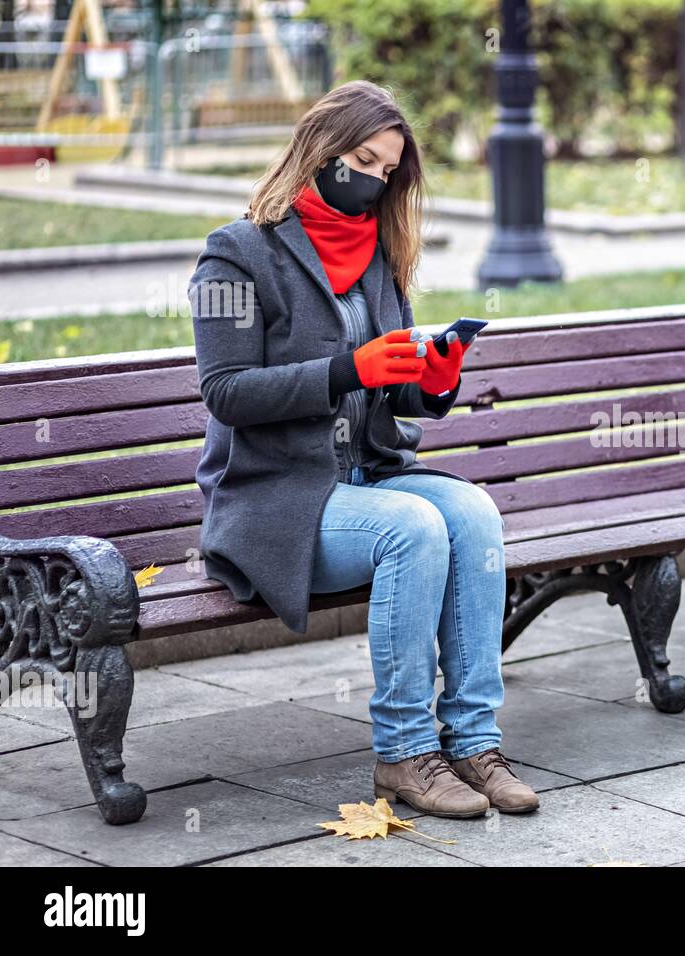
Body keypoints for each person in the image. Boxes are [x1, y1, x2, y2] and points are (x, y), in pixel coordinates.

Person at [188, 80, 538, 817]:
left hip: (364, 477)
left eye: (387, 170)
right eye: (364, 159)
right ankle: (404, 754)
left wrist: (432, 380)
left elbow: (391, 389)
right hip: (276, 499)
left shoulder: (378, 256)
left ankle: (473, 740)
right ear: (321, 149)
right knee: (410, 527)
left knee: (472, 511)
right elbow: (226, 392)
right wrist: (350, 369)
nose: (375, 179)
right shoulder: (237, 253)